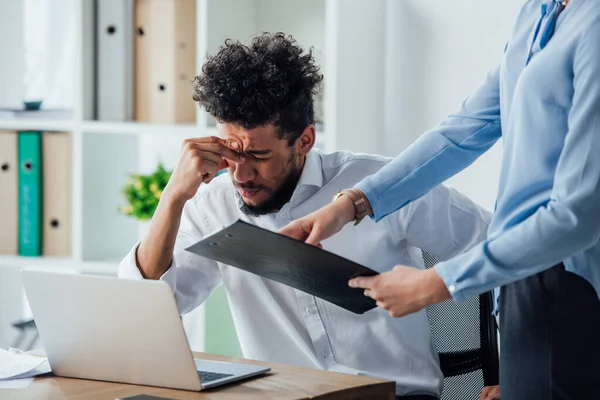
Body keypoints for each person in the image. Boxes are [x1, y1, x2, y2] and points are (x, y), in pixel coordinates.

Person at [118, 33, 493, 399]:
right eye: (230, 154)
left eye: (259, 156)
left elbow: (501, 247)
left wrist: (513, 373)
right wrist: (172, 198)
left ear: (305, 140)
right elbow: (147, 306)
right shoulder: (212, 203)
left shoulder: (382, 184)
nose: (240, 175)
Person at [280, 0, 600, 398]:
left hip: (571, 287)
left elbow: (578, 214)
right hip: (518, 286)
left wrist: (437, 282)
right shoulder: (537, 11)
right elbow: (463, 130)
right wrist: (352, 203)